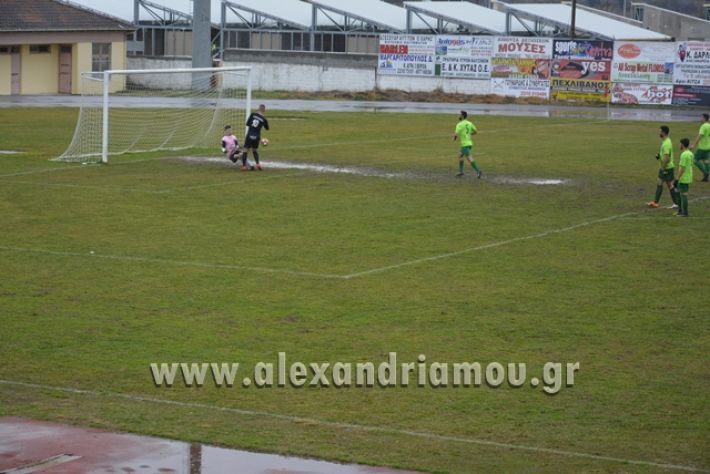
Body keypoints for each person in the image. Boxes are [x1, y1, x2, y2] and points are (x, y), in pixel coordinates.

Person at [647, 125, 680, 209]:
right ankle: (656, 202)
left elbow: (667, 158)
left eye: (660, 131)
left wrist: (663, 168)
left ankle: (676, 202)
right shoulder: (667, 141)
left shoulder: (666, 144)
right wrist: (659, 156)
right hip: (666, 167)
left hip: (667, 168)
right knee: (661, 183)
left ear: (663, 132)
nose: (659, 133)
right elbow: (664, 156)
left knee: (670, 185)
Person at [453, 110, 481, 178]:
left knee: (469, 158)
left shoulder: (459, 124)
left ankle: (478, 171)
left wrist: (454, 138)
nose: (458, 116)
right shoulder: (470, 123)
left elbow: (456, 133)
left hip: (465, 144)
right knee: (460, 155)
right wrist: (469, 134)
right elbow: (476, 132)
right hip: (469, 143)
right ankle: (461, 171)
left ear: (462, 116)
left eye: (459, 115)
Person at [243, 104, 269, 171]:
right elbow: (267, 128)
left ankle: (244, 166)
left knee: (245, 150)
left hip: (249, 135)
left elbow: (247, 124)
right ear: (264, 110)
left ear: (258, 108)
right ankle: (258, 164)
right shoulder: (264, 119)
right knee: (254, 150)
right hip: (257, 136)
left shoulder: (252, 114)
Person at [690, 113, 710, 182]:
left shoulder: (703, 126)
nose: (700, 119)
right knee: (706, 161)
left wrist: (693, 145)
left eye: (701, 117)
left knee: (695, 160)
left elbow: (699, 136)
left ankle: (706, 173)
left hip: (702, 147)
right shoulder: (709, 125)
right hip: (708, 146)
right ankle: (706, 178)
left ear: (704, 119)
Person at [676, 138, 693, 217]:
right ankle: (680, 211)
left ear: (682, 145)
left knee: (683, 194)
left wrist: (677, 178)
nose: (679, 145)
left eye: (680, 144)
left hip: (683, 177)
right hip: (688, 176)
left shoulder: (684, 155)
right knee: (680, 193)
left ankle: (685, 213)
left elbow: (682, 168)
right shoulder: (690, 153)